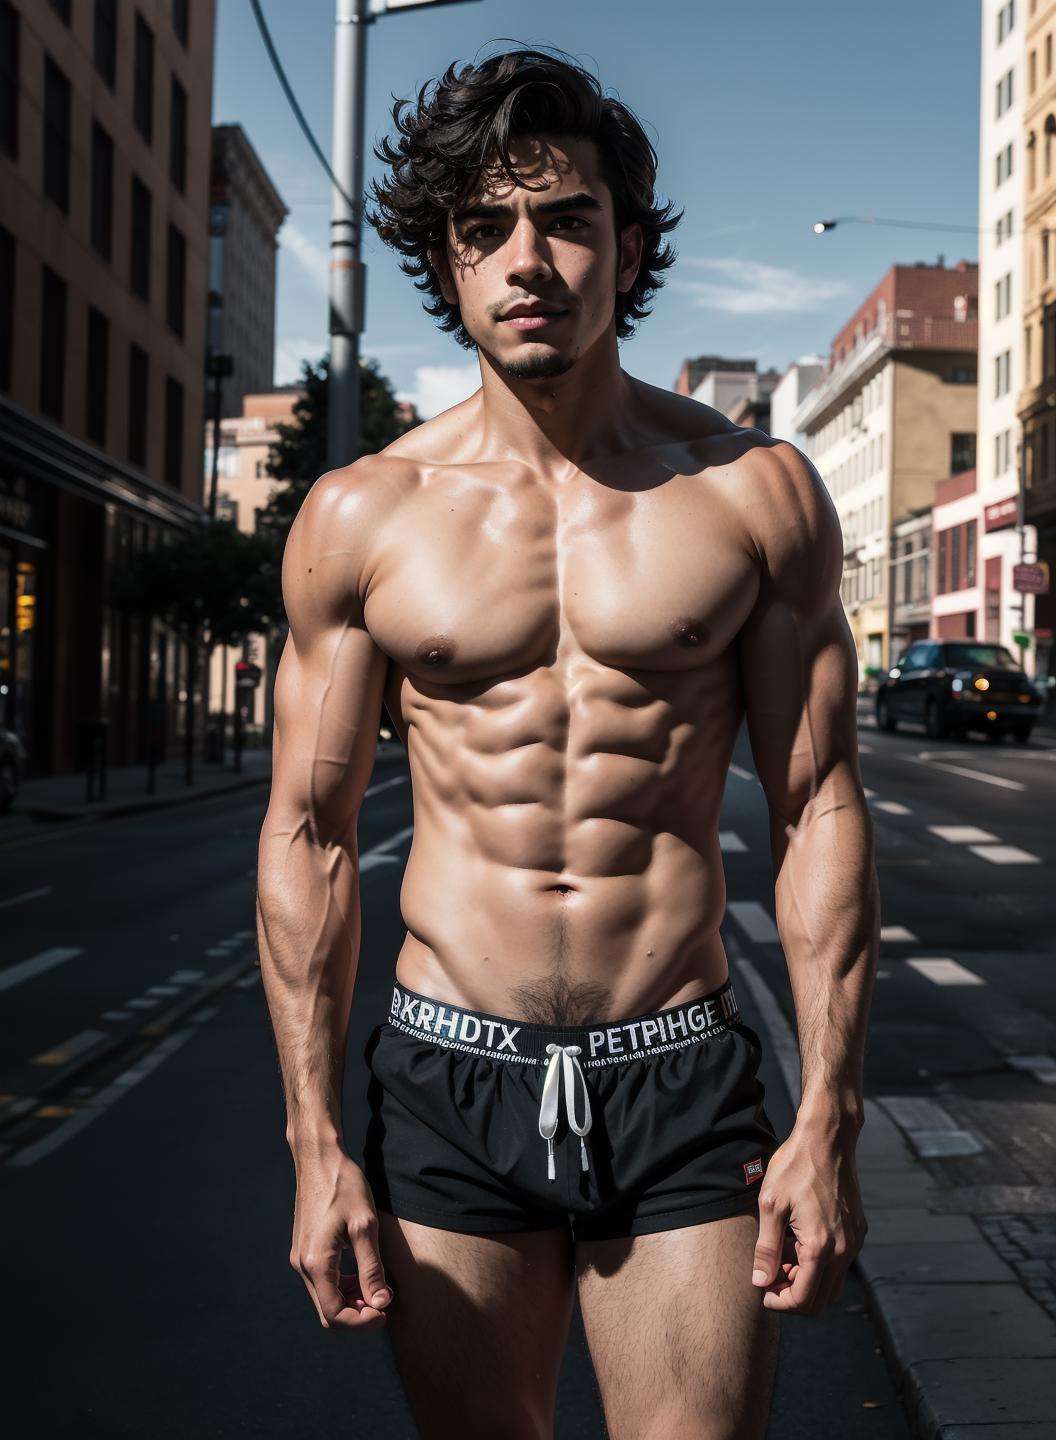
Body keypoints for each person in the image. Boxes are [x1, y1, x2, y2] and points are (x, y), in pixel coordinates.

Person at [256, 45, 877, 1440]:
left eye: (567, 219)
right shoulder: (363, 519)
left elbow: (819, 806)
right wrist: (313, 1148)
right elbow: (307, 833)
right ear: (448, 260)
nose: (527, 259)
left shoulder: (750, 495)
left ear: (628, 244)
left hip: (676, 1067)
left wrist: (826, 1117)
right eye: (486, 229)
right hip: (446, 1074)